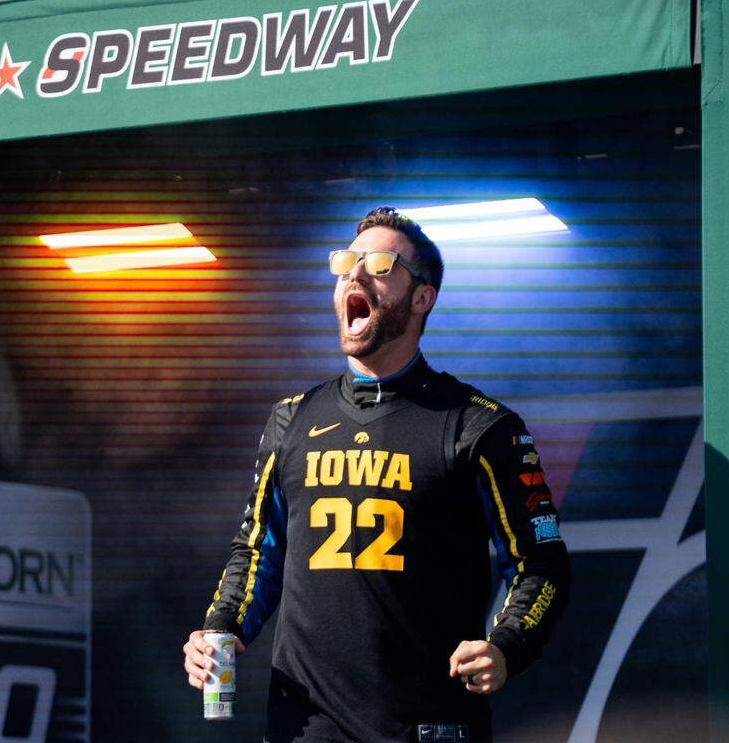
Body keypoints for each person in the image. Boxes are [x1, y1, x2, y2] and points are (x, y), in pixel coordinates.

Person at [182, 207, 570, 742]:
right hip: (305, 730)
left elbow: (540, 561)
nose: (355, 275)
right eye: (346, 263)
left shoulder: (480, 426)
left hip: (429, 727)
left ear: (422, 297)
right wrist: (218, 629)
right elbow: (256, 552)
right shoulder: (291, 419)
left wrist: (507, 645)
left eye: (381, 264)